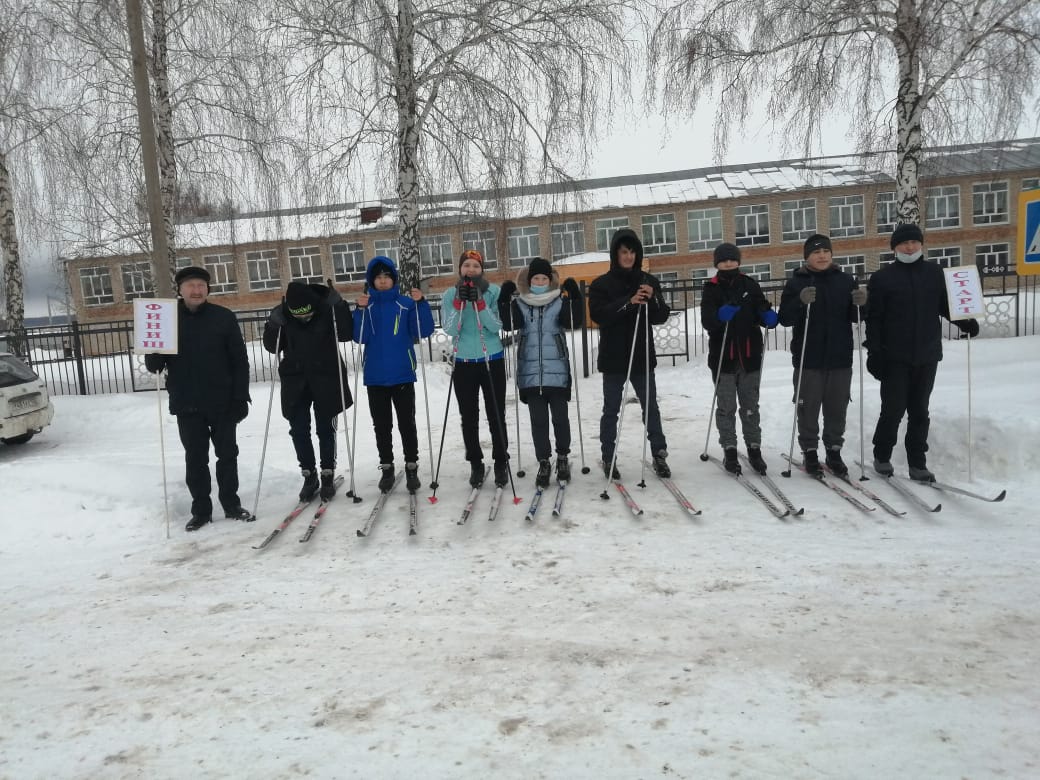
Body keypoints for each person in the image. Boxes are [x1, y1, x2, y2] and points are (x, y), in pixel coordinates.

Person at [865, 223, 980, 481]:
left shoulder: (934, 273)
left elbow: (946, 305)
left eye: (914, 242)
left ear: (921, 244)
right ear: (894, 247)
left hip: (927, 354)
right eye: (904, 243)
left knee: (920, 411)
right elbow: (874, 319)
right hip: (894, 357)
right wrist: (874, 353)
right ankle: (882, 455)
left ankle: (917, 462)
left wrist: (966, 322)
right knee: (893, 410)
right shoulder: (883, 278)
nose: (910, 247)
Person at [145, 266, 254, 531]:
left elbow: (240, 361)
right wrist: (153, 350)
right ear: (180, 290)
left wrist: (241, 397)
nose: (196, 290)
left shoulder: (223, 317)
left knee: (227, 455)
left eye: (201, 285)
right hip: (187, 402)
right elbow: (154, 366)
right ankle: (201, 511)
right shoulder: (166, 319)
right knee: (195, 458)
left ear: (207, 289)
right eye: (191, 286)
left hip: (223, 401)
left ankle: (231, 504)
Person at [778, 234, 868, 477]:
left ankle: (834, 451)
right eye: (816, 252)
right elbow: (784, 318)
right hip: (809, 359)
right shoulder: (796, 283)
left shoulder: (845, 280)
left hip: (840, 358)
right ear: (807, 257)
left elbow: (856, 317)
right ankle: (809, 451)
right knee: (807, 408)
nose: (822, 256)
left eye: (826, 251)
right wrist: (800, 301)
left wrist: (862, 304)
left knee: (837, 408)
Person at [588, 228, 671, 480]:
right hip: (614, 358)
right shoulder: (601, 284)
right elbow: (599, 315)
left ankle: (659, 453)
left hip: (641, 356)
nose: (628, 256)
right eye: (624, 252)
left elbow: (661, 316)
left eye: (633, 252)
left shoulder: (648, 280)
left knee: (650, 407)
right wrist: (629, 302)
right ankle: (608, 456)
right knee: (611, 409)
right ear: (616, 254)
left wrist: (653, 298)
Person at [262, 280, 353, 502]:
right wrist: (273, 325)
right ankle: (309, 474)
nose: (304, 318)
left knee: (325, 428)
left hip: (326, 377)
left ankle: (327, 472)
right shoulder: (284, 314)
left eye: (308, 314)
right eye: (299, 315)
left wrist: (340, 307)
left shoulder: (326, 308)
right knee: (299, 429)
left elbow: (346, 333)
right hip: (295, 380)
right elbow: (272, 346)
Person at [499, 257, 584, 488]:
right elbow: (509, 324)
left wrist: (576, 298)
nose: (539, 282)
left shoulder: (559, 301)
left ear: (550, 280)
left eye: (543, 278)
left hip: (557, 372)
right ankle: (544, 461)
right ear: (529, 281)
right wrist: (503, 300)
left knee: (560, 419)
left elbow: (574, 321)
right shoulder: (520, 303)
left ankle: (562, 457)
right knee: (538, 422)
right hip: (530, 373)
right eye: (535, 278)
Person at [353, 256, 435, 493]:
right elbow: (359, 336)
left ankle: (411, 466)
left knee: (407, 423)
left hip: (402, 375)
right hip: (375, 377)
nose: (382, 281)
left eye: (386, 277)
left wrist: (421, 304)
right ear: (371, 281)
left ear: (394, 279)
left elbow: (423, 330)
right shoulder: (366, 306)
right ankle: (387, 467)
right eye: (378, 277)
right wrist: (359, 310)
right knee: (382, 426)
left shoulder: (405, 304)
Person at [700, 242, 779, 475]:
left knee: (750, 406)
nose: (728, 263)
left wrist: (767, 316)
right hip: (723, 358)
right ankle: (730, 449)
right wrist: (719, 315)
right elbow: (707, 321)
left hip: (749, 356)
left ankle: (754, 448)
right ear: (717, 263)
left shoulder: (749, 284)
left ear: (738, 261)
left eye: (732, 259)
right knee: (726, 407)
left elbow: (760, 310)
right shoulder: (711, 288)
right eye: (723, 260)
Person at [441, 249, 510, 488]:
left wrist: (480, 304)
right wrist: (459, 304)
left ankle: (500, 461)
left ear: (482, 269)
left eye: (476, 266)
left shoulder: (493, 292)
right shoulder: (450, 294)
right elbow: (450, 329)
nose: (471, 269)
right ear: (460, 268)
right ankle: (475, 463)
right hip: (464, 362)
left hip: (491, 359)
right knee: (468, 416)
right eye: (466, 265)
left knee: (496, 413)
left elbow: (497, 326)